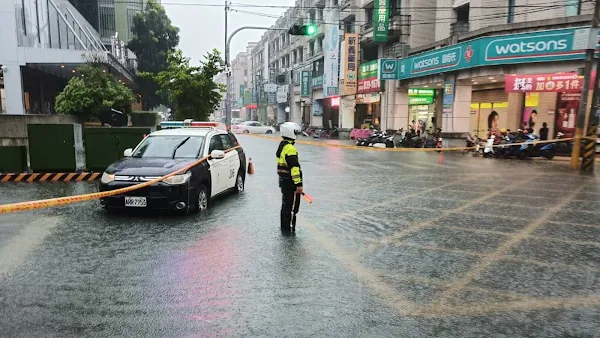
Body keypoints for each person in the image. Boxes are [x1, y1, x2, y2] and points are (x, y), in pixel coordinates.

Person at [277, 122, 303, 231]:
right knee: (292, 207)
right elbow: (294, 168)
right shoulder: (290, 149)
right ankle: (290, 228)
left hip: (284, 181)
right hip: (291, 182)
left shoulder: (282, 146)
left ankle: (284, 227)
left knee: (286, 205)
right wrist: (298, 184)